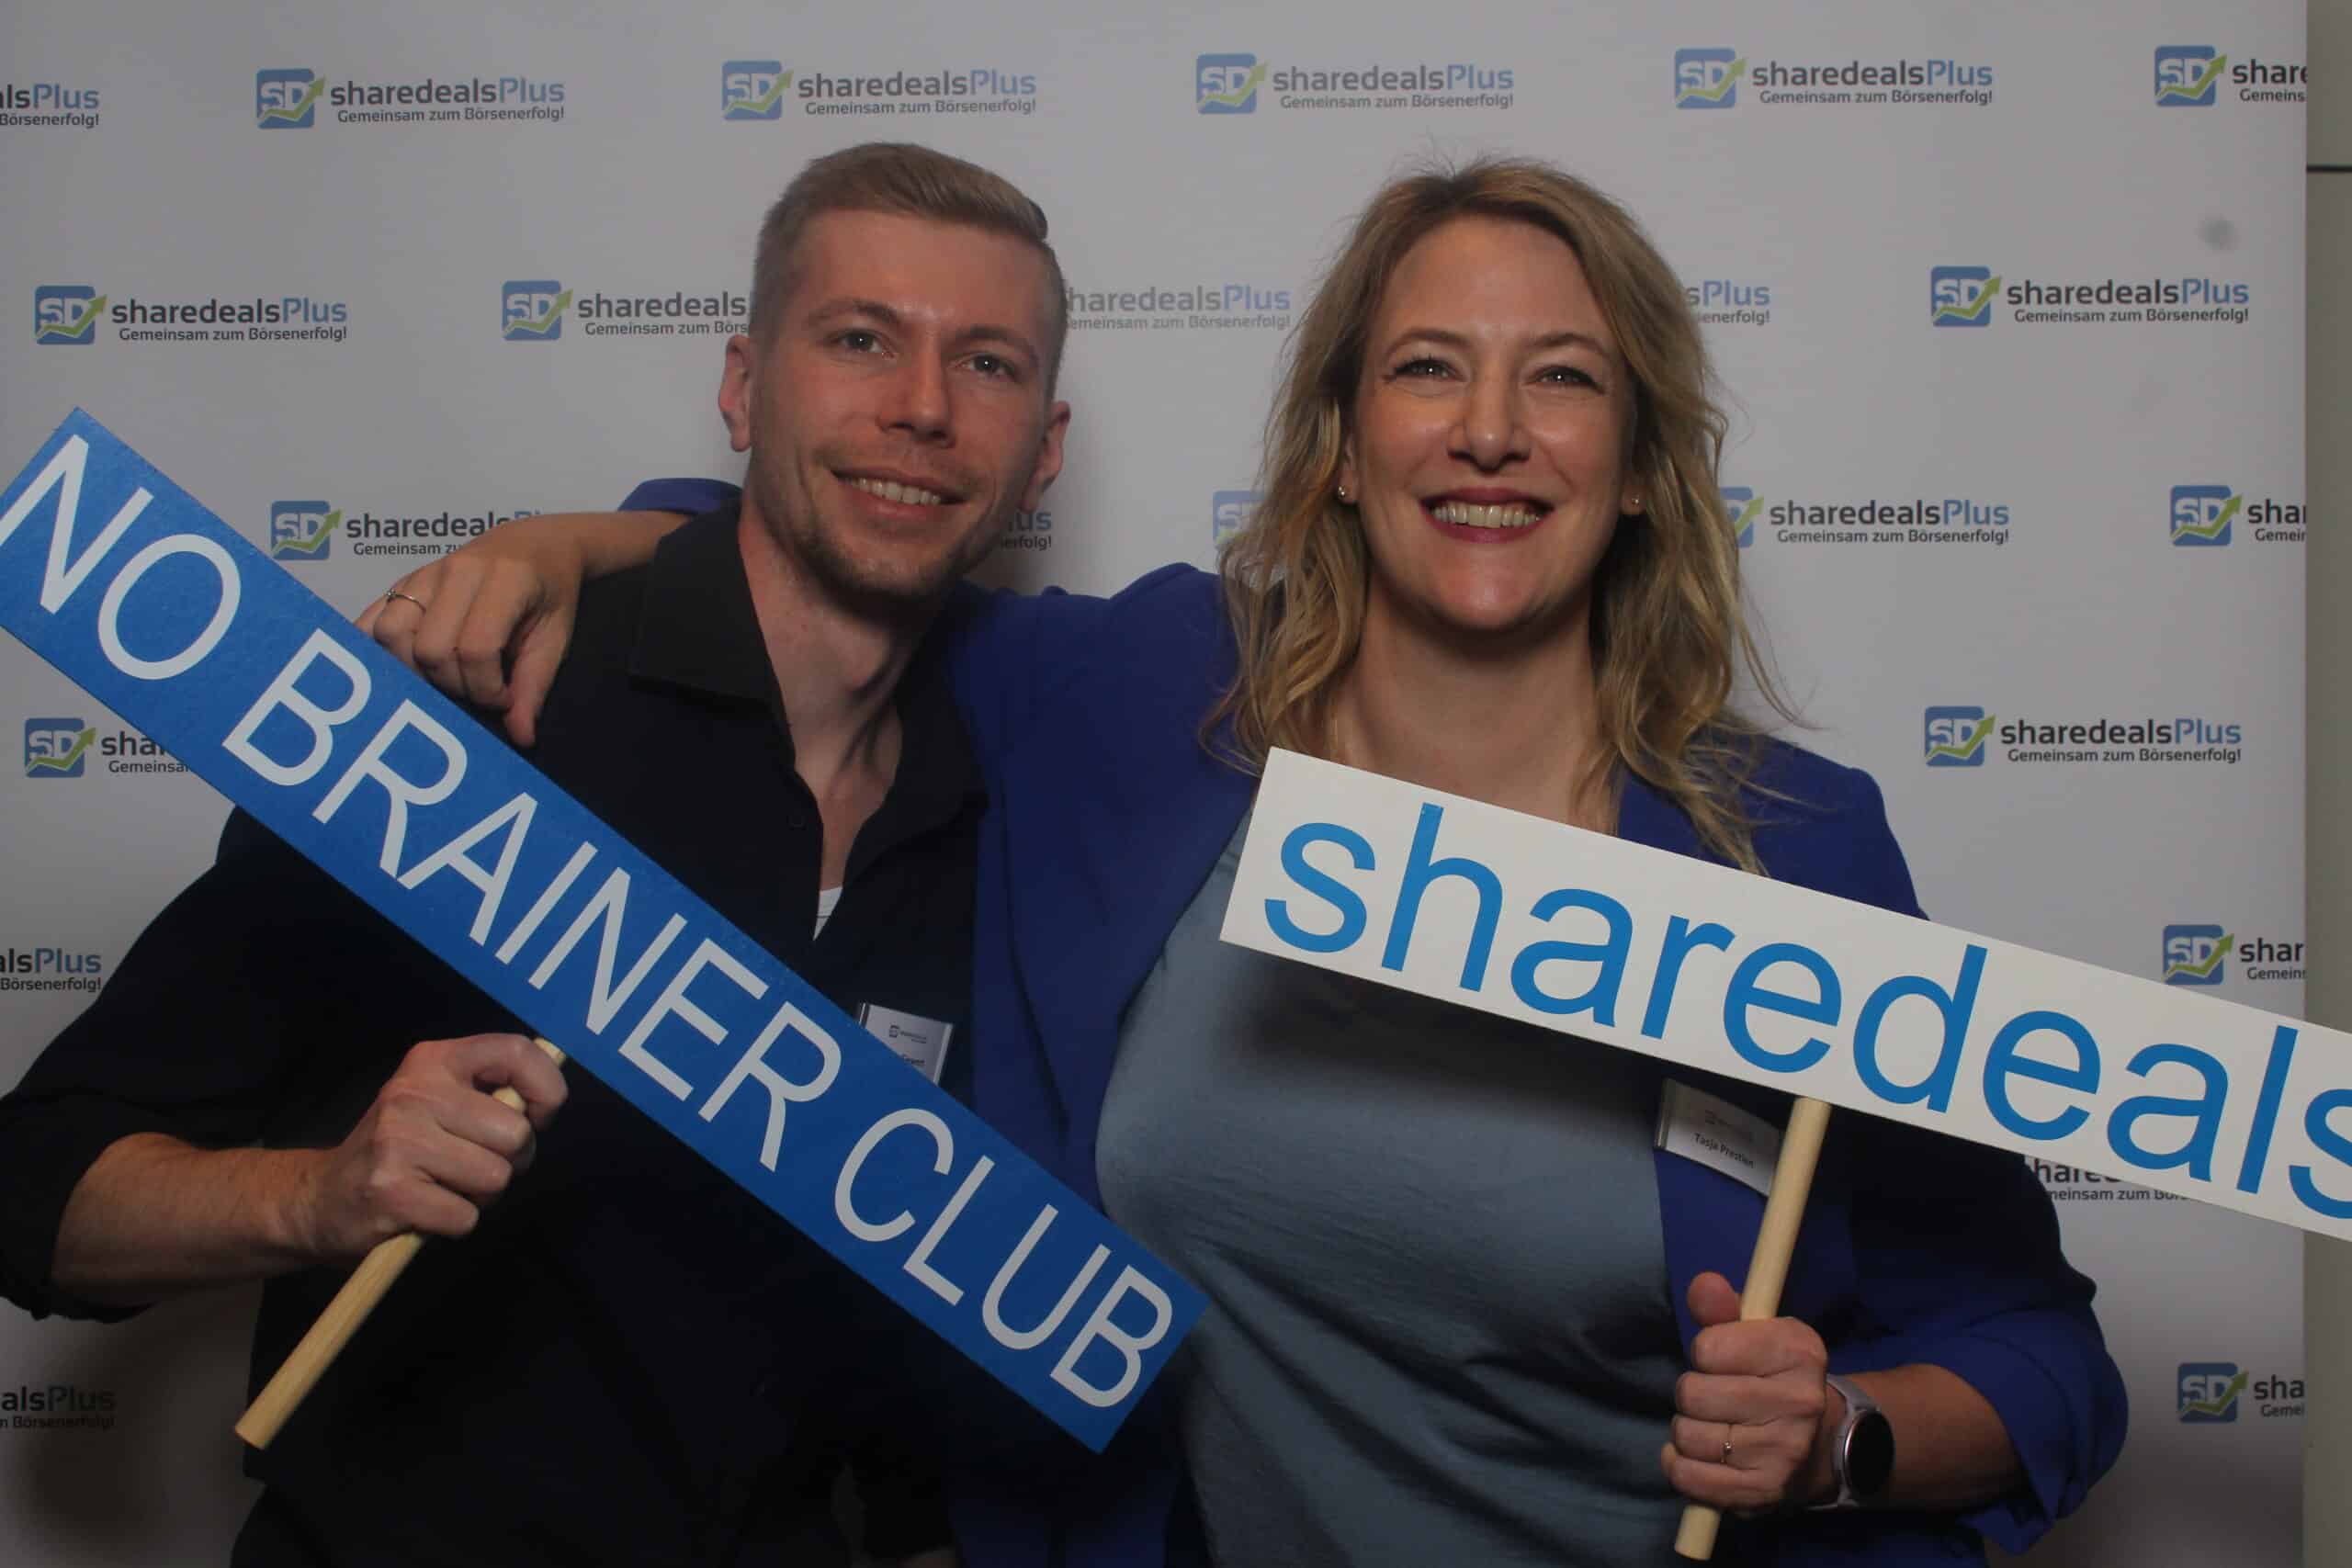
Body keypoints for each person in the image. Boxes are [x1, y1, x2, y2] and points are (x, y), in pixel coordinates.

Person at [368, 157, 2126, 1565]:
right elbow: (840, 553)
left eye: (1563, 378)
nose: (1490, 430)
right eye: (1427, 368)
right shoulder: (1159, 701)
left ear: (1646, 468)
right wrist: (558, 548)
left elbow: (2044, 1357)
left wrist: (1840, 1440)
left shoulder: (1788, 853)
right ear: (1344, 449)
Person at [0, 141, 1079, 1567]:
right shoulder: (474, 720)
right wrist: (318, 1192)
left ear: (1043, 451)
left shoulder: (995, 812)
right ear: (743, 385)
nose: (924, 406)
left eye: (988, 364)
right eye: (860, 340)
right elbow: (38, 1187)